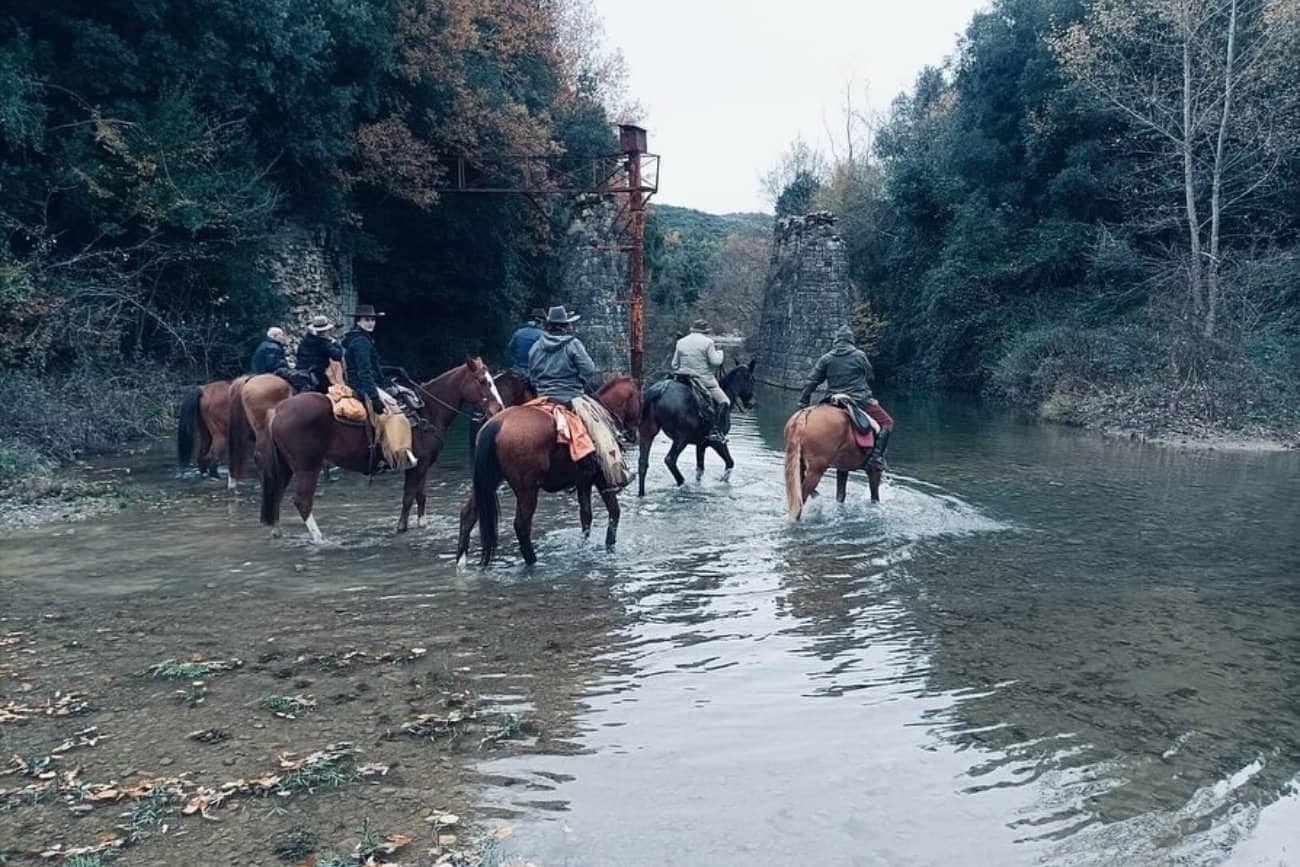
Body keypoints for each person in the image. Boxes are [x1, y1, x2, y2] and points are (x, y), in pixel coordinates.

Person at [528, 305, 627, 488]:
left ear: (549, 325)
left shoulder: (536, 346)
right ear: (565, 326)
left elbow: (532, 375)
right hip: (570, 397)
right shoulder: (572, 344)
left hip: (542, 398)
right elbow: (589, 370)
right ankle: (615, 472)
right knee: (603, 426)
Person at [798, 324, 895, 469]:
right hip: (860, 399)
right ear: (851, 341)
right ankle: (876, 457)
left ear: (836, 341)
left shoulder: (827, 358)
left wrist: (803, 400)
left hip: (833, 400)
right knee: (887, 422)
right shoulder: (859, 355)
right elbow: (870, 376)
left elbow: (812, 381)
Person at [671, 318, 730, 445]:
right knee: (725, 401)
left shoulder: (681, 341)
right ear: (705, 331)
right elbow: (715, 362)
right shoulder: (708, 342)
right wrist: (720, 353)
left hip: (682, 378)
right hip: (703, 380)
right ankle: (715, 430)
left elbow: (674, 364)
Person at [294, 315, 343, 394]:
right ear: (326, 331)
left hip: (300, 373)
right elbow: (337, 356)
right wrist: (335, 343)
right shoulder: (324, 343)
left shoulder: (304, 341)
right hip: (317, 375)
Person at [506, 308, 546, 373]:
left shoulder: (518, 332)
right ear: (541, 321)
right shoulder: (543, 335)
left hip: (517, 368)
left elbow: (510, 348)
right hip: (535, 371)